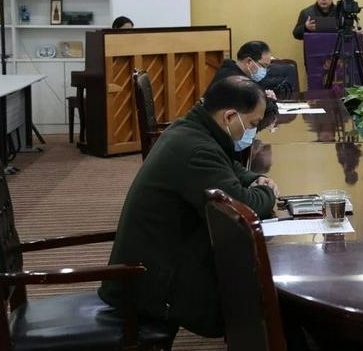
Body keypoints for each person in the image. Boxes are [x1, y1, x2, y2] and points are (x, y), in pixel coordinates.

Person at [99, 76, 279, 338]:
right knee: (258, 294)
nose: (252, 131)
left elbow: (227, 166)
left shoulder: (191, 128)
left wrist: (254, 178)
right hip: (151, 284)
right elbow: (241, 207)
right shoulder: (196, 150)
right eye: (252, 124)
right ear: (229, 116)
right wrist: (268, 192)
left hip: (155, 261)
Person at [210, 41, 279, 128]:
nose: (264, 71)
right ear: (249, 62)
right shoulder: (237, 82)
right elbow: (257, 116)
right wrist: (270, 100)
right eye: (264, 66)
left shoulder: (229, 70)